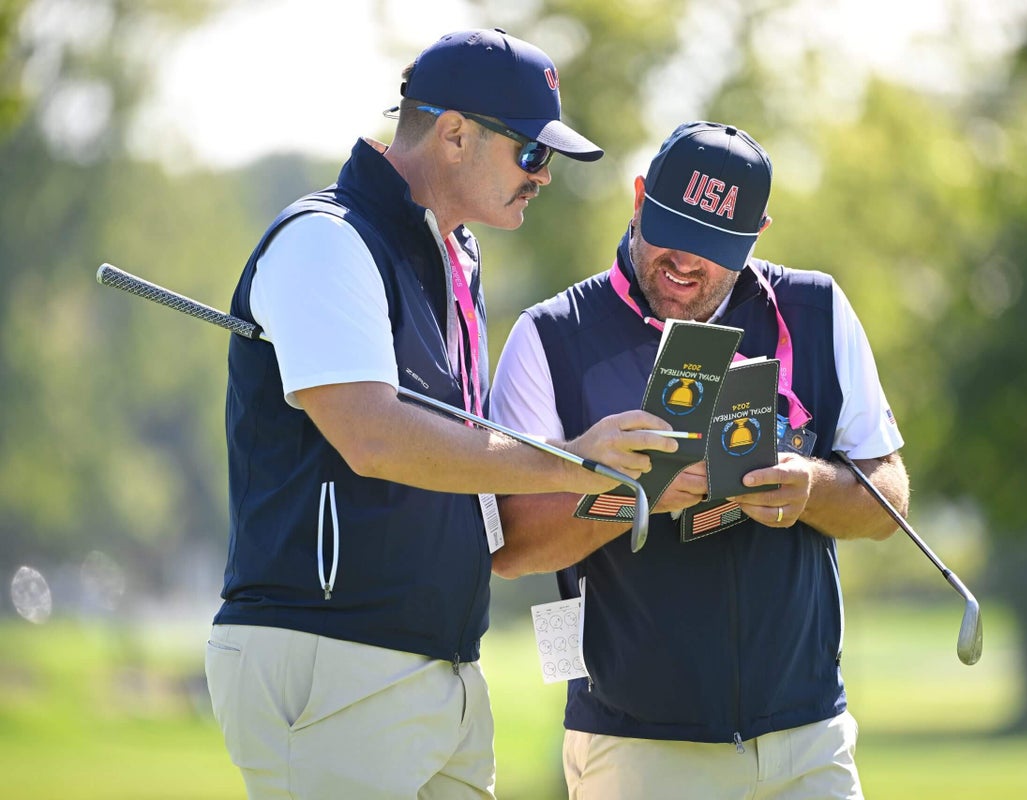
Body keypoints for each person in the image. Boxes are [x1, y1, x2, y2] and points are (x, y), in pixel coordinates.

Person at [204, 29, 677, 800]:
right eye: (532, 153)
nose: (544, 177)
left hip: (444, 665)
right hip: (331, 657)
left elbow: (463, 456)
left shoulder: (454, 256)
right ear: (454, 133)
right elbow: (372, 436)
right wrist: (571, 459)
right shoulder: (327, 241)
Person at [490, 121, 911, 799]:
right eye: (670, 231)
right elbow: (511, 545)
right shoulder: (551, 335)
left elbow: (888, 497)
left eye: (713, 248)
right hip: (635, 747)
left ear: (758, 233)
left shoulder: (817, 308)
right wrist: (636, 495)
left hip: (808, 734)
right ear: (638, 198)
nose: (684, 262)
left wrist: (811, 489)